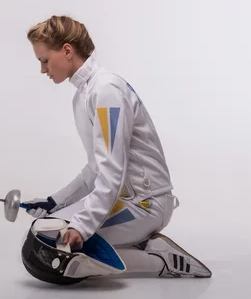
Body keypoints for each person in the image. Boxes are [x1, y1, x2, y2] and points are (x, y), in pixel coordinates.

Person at [21, 15, 211, 278]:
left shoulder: (106, 91)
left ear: (67, 50)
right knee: (43, 234)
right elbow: (95, 169)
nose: (43, 70)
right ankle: (137, 243)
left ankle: (160, 261)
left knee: (59, 249)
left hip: (146, 204)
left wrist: (82, 227)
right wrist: (55, 201)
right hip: (123, 200)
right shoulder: (83, 96)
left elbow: (112, 171)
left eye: (44, 60)